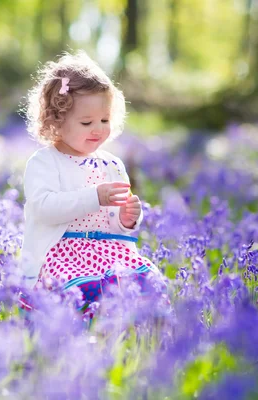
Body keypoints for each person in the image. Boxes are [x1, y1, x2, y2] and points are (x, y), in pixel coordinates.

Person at [18, 50, 166, 318]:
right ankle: (82, 347)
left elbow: (116, 221)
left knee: (148, 284)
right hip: (62, 254)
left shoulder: (112, 165)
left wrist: (127, 218)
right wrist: (94, 197)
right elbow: (44, 208)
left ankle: (143, 340)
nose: (98, 129)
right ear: (56, 122)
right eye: (87, 122)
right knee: (80, 293)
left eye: (105, 120)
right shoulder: (45, 162)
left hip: (111, 252)